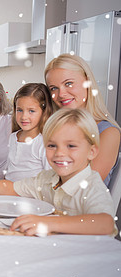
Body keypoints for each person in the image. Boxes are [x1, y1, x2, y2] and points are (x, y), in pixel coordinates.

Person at [0, 108, 115, 236]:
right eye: (52, 145)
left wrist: (49, 223)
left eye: (71, 146)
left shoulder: (91, 185)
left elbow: (105, 223)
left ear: (92, 152)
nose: (59, 153)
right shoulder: (47, 179)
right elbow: (14, 189)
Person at [44, 54, 121, 186]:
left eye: (68, 83)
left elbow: (82, 185)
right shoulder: (57, 129)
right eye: (54, 88)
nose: (61, 94)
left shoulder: (108, 133)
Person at [5, 83, 56, 181]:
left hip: (30, 195)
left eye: (31, 111)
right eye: (19, 110)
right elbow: (9, 172)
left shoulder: (44, 142)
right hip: (9, 192)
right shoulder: (13, 137)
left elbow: (50, 178)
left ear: (44, 112)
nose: (24, 116)